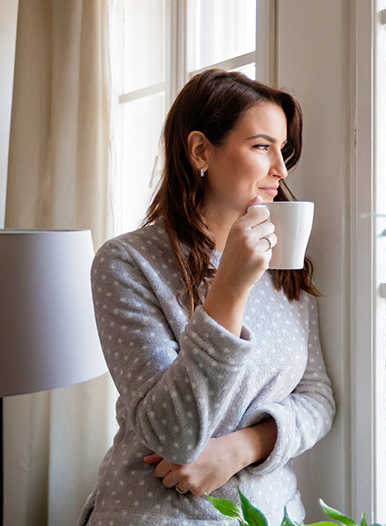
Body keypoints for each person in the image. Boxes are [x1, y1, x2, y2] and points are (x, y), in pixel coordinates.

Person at [78, 69, 335, 525]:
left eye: (283, 149)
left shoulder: (284, 256)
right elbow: (172, 432)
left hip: (274, 512)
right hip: (158, 512)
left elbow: (317, 398)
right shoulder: (127, 263)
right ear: (201, 150)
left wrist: (243, 448)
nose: (282, 168)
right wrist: (230, 290)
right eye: (261, 147)